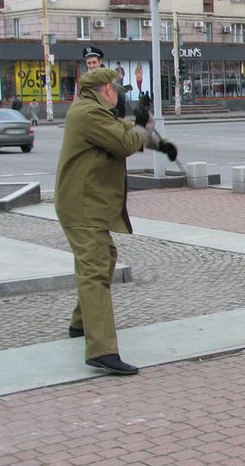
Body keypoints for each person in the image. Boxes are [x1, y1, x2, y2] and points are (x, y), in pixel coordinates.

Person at [55, 68, 165, 376]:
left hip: (87, 203)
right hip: (81, 205)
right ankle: (101, 349)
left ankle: (80, 323)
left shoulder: (94, 110)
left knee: (102, 259)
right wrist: (142, 127)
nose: (120, 95)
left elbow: (125, 131)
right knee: (94, 268)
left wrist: (144, 128)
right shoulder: (89, 113)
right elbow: (123, 143)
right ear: (106, 90)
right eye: (117, 90)